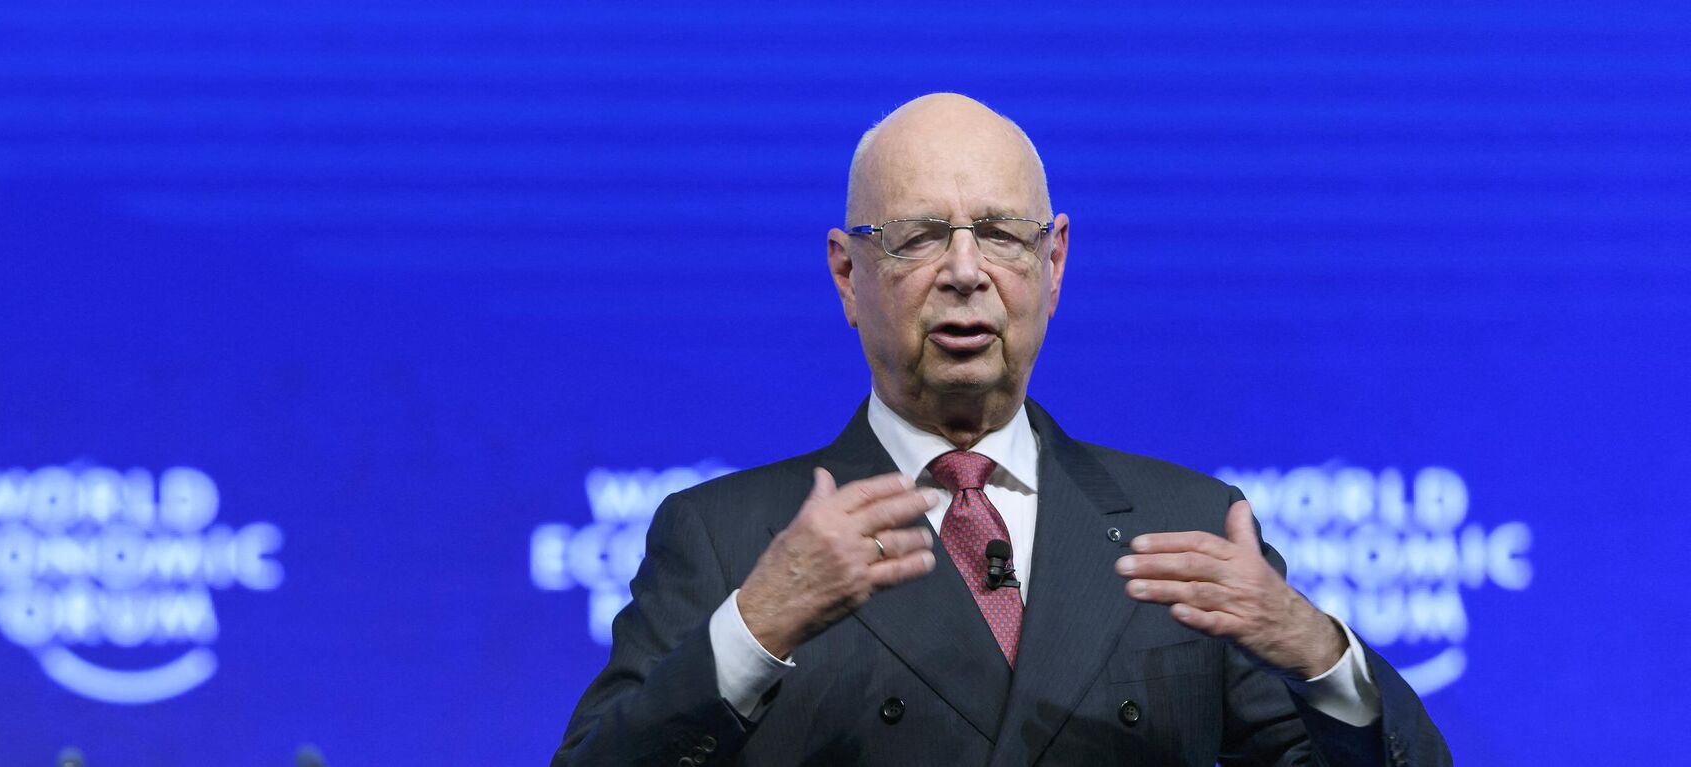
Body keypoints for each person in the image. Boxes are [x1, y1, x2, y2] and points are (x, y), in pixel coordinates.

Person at [553, 93, 1448, 766]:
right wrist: (755, 626)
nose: (966, 272)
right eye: (917, 237)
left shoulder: (1191, 528)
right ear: (845, 273)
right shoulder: (724, 539)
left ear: (1054, 264)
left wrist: (1323, 656)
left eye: (1001, 234)